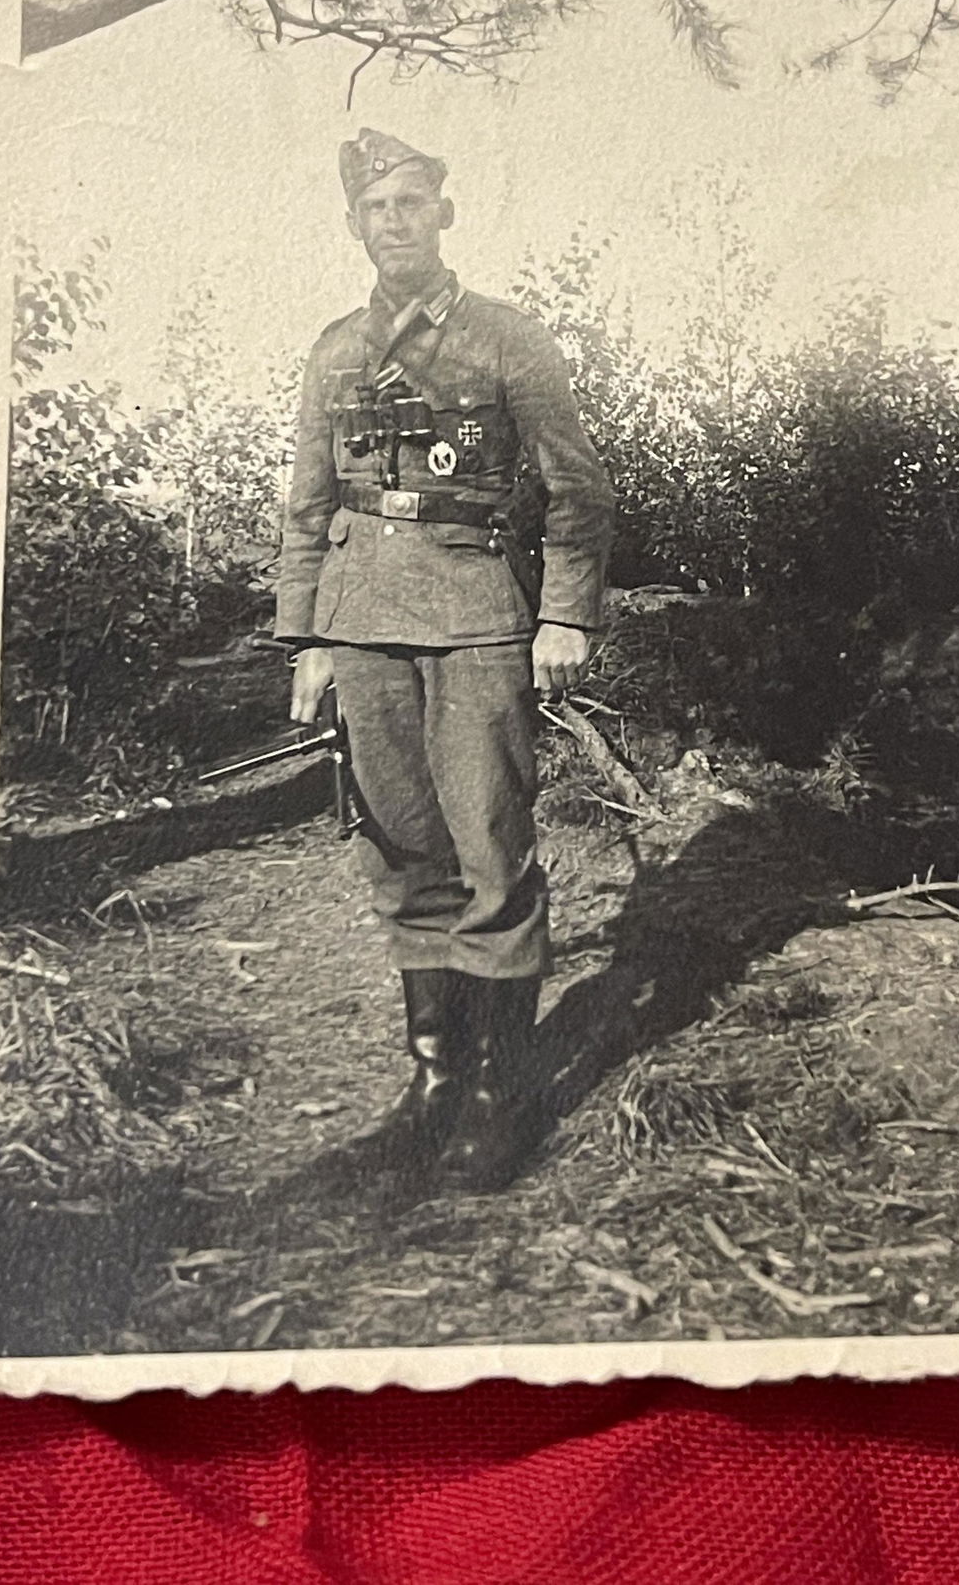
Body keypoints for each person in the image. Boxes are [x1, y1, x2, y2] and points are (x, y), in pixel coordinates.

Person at [275, 128, 615, 1191]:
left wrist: (563, 618)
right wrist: (307, 636)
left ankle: (499, 1096)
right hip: (361, 621)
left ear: (444, 215)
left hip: (474, 620)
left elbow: (578, 491)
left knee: (488, 851)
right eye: (377, 209)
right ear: (354, 226)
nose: (395, 223)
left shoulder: (508, 340)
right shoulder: (334, 351)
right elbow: (308, 504)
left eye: (413, 203)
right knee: (401, 853)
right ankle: (435, 1083)